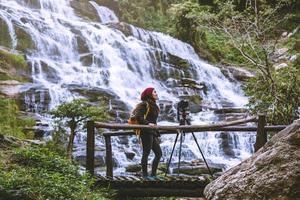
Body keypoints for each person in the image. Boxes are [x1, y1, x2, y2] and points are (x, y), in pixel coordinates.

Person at [135, 87, 162, 179]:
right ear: (150, 94)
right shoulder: (144, 104)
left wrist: (157, 132)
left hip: (152, 132)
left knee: (158, 154)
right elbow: (138, 116)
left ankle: (153, 175)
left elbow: (153, 120)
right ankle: (145, 176)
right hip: (145, 132)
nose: (156, 93)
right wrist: (148, 123)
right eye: (154, 92)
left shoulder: (153, 105)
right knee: (146, 153)